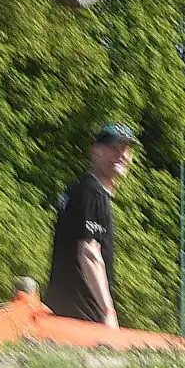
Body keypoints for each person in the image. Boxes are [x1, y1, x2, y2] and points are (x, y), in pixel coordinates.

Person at [44, 123, 137, 327]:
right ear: (95, 152)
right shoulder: (94, 194)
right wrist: (108, 311)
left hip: (59, 310)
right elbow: (89, 253)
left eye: (125, 149)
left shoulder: (76, 189)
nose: (121, 155)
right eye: (113, 148)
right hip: (82, 316)